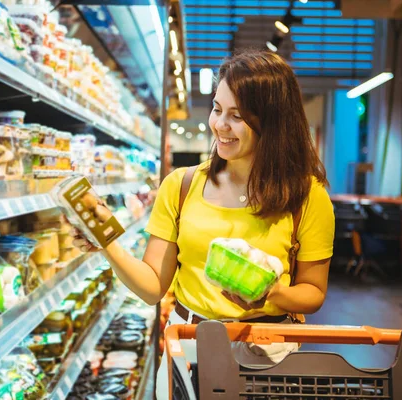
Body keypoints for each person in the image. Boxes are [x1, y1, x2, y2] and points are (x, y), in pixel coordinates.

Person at [73, 49, 335, 398]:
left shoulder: (307, 195)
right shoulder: (180, 186)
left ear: (271, 122)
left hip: (268, 354)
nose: (219, 125)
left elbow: (313, 292)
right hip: (189, 344)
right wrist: (106, 241)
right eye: (217, 109)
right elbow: (153, 286)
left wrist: (273, 294)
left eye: (237, 116)